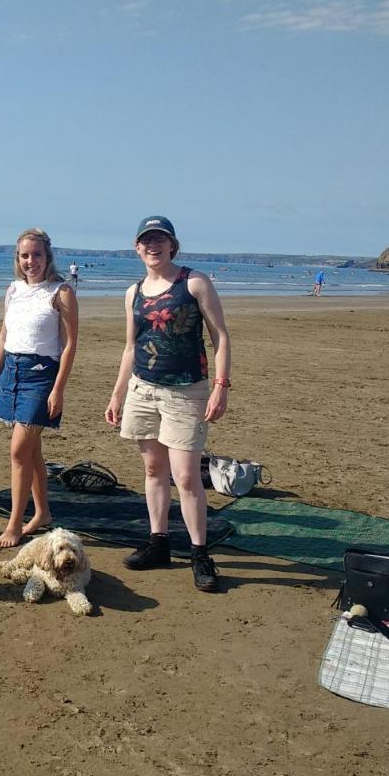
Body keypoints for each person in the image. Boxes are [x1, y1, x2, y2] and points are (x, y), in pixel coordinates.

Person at [104, 216, 231, 592]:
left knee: (188, 477)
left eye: (160, 239)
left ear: (173, 245)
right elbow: (131, 346)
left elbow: (220, 337)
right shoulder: (134, 292)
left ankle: (199, 553)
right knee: (153, 470)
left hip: (186, 392)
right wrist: (117, 393)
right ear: (137, 247)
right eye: (146, 240)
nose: (153, 246)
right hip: (143, 390)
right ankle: (158, 543)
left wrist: (221, 386)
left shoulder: (193, 283)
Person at [0, 229, 79, 548]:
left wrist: (58, 389)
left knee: (18, 451)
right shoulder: (13, 290)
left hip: (41, 376)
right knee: (31, 449)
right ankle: (42, 513)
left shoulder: (61, 292)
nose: (31, 261)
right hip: (11, 372)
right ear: (18, 259)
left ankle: (14, 524)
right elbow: (3, 337)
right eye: (24, 256)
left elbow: (69, 345)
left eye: (36, 255)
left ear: (47, 256)